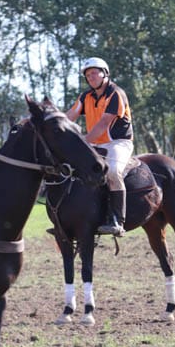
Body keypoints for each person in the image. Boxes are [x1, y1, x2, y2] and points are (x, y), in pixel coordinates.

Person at [66, 57, 134, 237]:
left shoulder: (116, 93)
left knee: (112, 172)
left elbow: (104, 123)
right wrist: (49, 121)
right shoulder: (85, 96)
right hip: (95, 143)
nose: (91, 77)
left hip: (118, 142)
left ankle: (118, 221)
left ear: (105, 73)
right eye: (88, 75)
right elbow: (70, 115)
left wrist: (83, 142)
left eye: (94, 73)